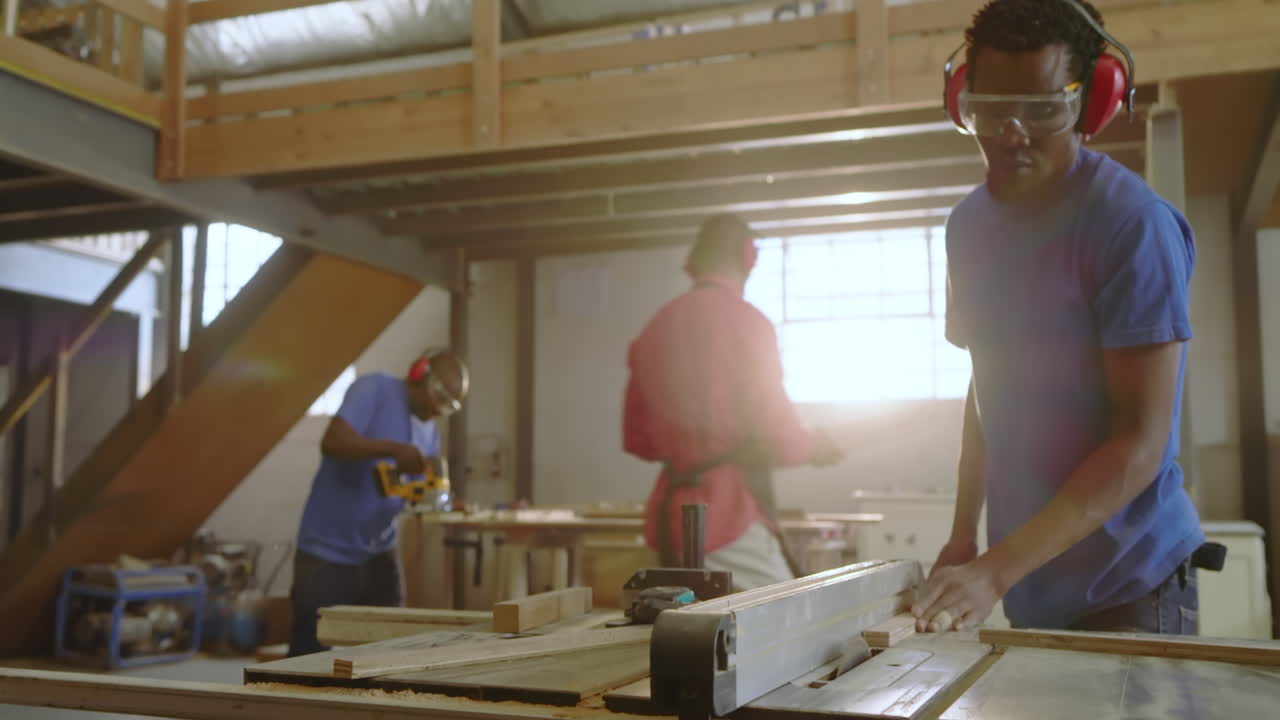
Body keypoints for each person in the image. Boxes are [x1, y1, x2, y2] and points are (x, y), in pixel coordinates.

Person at [913, 0, 1208, 634]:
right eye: (990, 111)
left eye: (1043, 111)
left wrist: (994, 571)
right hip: (1032, 584)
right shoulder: (969, 227)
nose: (1013, 133)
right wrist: (965, 538)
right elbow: (986, 388)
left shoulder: (1131, 226)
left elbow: (1140, 443)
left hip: (1131, 587)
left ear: (1092, 103)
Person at [622, 213, 845, 592]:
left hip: (667, 521)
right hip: (727, 519)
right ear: (749, 257)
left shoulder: (657, 325)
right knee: (793, 627)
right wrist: (817, 444)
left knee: (686, 641)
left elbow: (636, 440)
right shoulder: (748, 322)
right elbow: (779, 436)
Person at [287, 350, 469, 656]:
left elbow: (418, 491)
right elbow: (332, 442)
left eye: (447, 408)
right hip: (327, 553)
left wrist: (445, 502)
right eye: (437, 401)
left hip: (379, 551)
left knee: (391, 649)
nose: (437, 412)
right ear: (419, 375)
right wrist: (393, 450)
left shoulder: (428, 431)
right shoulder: (374, 389)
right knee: (307, 657)